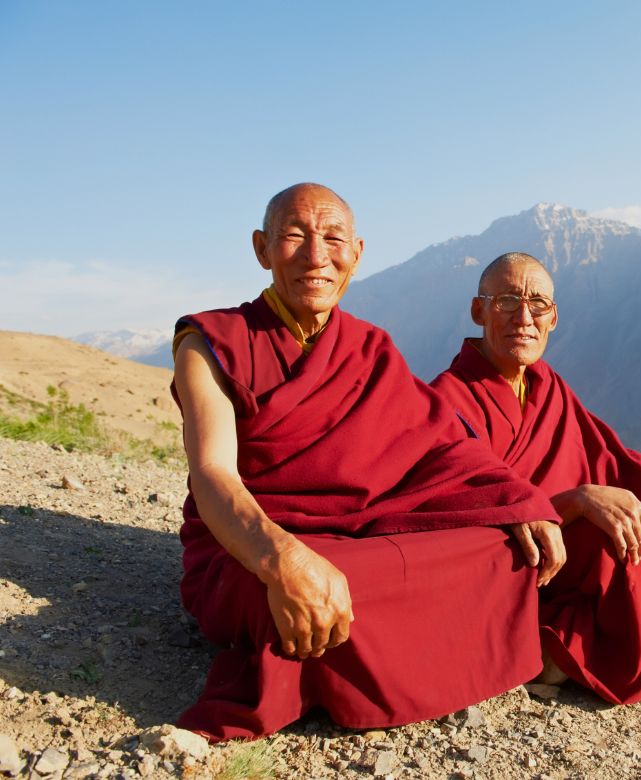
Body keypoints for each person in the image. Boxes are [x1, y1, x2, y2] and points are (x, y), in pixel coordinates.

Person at [171, 186, 565, 741]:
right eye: (294, 236)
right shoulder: (211, 342)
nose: (316, 256)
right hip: (249, 544)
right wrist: (281, 557)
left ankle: (361, 645)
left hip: (357, 539)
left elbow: (442, 447)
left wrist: (517, 502)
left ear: (356, 253)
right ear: (262, 248)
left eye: (333, 239)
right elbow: (213, 475)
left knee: (499, 550)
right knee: (280, 595)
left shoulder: (370, 349)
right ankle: (356, 658)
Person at [431, 252, 641, 704]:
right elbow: (463, 506)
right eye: (507, 301)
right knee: (612, 543)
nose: (523, 318)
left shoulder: (547, 385)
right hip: (520, 559)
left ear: (554, 318)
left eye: (538, 305)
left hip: (570, 541)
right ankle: (564, 645)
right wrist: (572, 502)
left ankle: (581, 646)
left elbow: (614, 456)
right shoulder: (447, 400)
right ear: (478, 310)